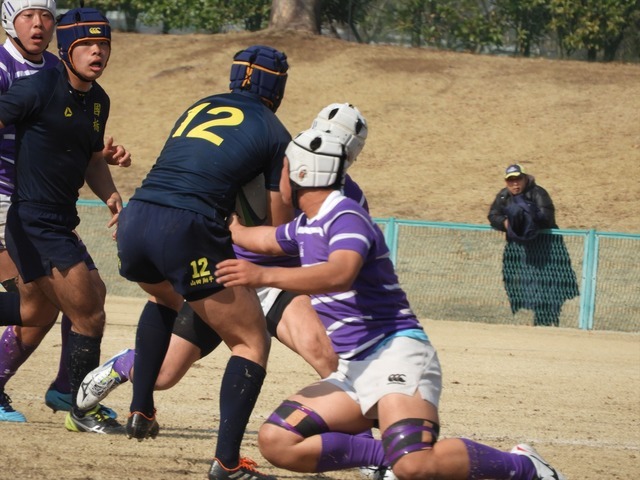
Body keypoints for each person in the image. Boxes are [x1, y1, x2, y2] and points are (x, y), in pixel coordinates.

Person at [213, 129, 567, 480]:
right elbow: (259, 238)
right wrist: (220, 219)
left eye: (283, 170)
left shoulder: (345, 216)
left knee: (415, 466)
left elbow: (341, 272)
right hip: (354, 371)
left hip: (395, 356)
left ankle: (526, 467)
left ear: (302, 173)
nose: (276, 181)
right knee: (277, 441)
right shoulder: (307, 224)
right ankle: (387, 460)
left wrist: (261, 276)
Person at [113, 45, 291, 480]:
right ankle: (228, 463)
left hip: (137, 217)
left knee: (166, 301)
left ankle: (141, 408)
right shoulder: (274, 130)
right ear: (278, 86)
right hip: (187, 228)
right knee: (250, 342)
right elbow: (276, 224)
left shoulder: (200, 106)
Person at [0, 6, 129, 434]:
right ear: (67, 50)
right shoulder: (36, 88)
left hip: (59, 219)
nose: (97, 53)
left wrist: (110, 192)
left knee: (40, 309)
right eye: (87, 45)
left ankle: (68, 393)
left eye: (103, 45)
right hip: (31, 219)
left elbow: (92, 157)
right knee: (87, 310)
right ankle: (80, 406)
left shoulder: (99, 100)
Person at [488, 164, 579, 326]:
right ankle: (538, 323)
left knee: (549, 286)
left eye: (518, 179)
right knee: (523, 286)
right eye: (511, 181)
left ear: (525, 179)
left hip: (546, 249)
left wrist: (526, 220)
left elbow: (546, 216)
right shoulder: (503, 196)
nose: (515, 184)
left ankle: (548, 322)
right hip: (521, 251)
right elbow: (493, 215)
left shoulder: (538, 193)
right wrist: (505, 222)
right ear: (506, 182)